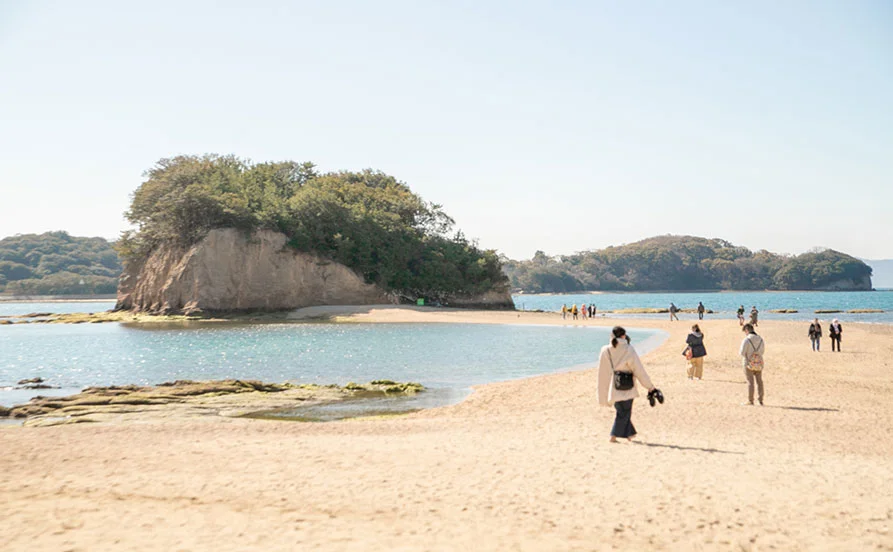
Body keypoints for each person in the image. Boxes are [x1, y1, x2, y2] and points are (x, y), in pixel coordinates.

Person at [597, 326, 656, 442]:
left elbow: (602, 372)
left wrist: (603, 393)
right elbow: (639, 370)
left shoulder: (606, 350)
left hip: (614, 386)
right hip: (628, 385)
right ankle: (613, 435)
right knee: (624, 412)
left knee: (622, 411)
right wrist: (649, 386)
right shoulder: (629, 349)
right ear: (624, 336)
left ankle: (630, 435)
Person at [739, 323, 766, 405]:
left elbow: (742, 352)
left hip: (748, 362)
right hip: (759, 362)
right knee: (759, 381)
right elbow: (762, 351)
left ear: (747, 330)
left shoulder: (747, 339)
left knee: (750, 382)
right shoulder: (761, 339)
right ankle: (760, 399)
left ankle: (750, 400)